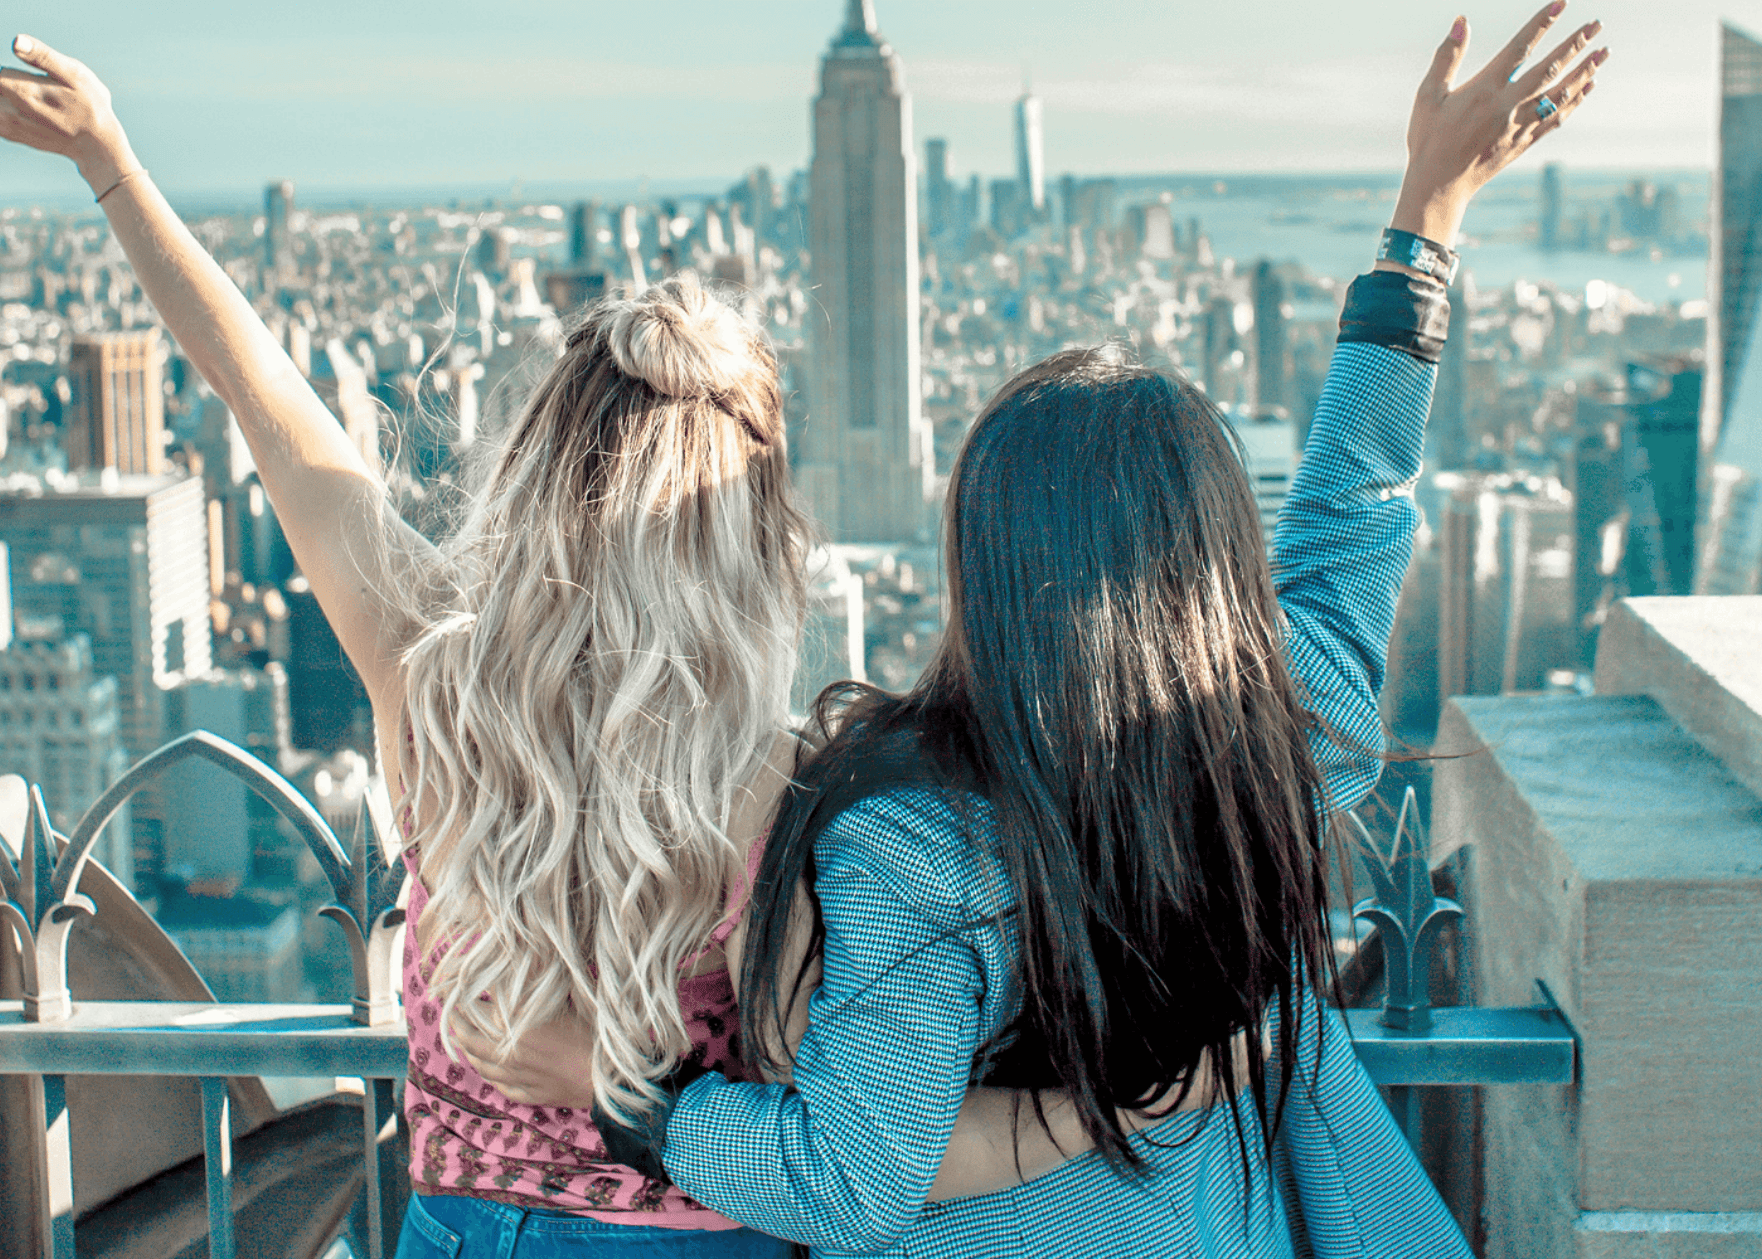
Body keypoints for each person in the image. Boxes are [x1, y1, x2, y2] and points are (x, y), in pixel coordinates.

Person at [444, 6, 1609, 1257]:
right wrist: (1426, 216)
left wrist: (638, 1102)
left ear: (981, 570)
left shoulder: (914, 837)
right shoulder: (1280, 741)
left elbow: (848, 1183)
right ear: (1213, 562)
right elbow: (1350, 518)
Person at [0, 33, 819, 1256]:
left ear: (540, 470)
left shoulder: (432, 678)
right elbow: (831, 1111)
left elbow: (268, 404)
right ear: (750, 523)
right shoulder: (788, 777)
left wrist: (109, 161)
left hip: (460, 1229)